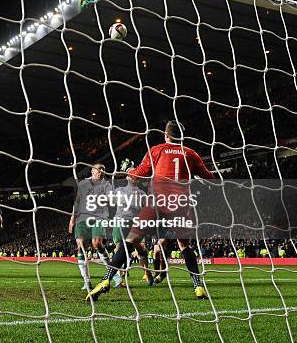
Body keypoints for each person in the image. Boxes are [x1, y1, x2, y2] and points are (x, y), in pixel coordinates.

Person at [87, 120, 215, 301]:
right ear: (182, 136)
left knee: (131, 240)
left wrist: (128, 172)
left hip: (157, 201)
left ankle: (106, 279)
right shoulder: (191, 154)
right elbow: (209, 177)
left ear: (166, 135)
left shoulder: (157, 150)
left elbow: (139, 173)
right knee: (184, 245)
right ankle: (198, 286)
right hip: (181, 203)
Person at [68, 163, 113, 290]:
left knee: (97, 243)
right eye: (99, 169)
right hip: (82, 217)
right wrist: (72, 218)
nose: (101, 172)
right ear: (92, 171)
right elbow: (77, 201)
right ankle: (86, 281)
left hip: (99, 217)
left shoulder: (106, 185)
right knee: (80, 246)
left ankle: (112, 274)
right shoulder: (83, 184)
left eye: (103, 170)